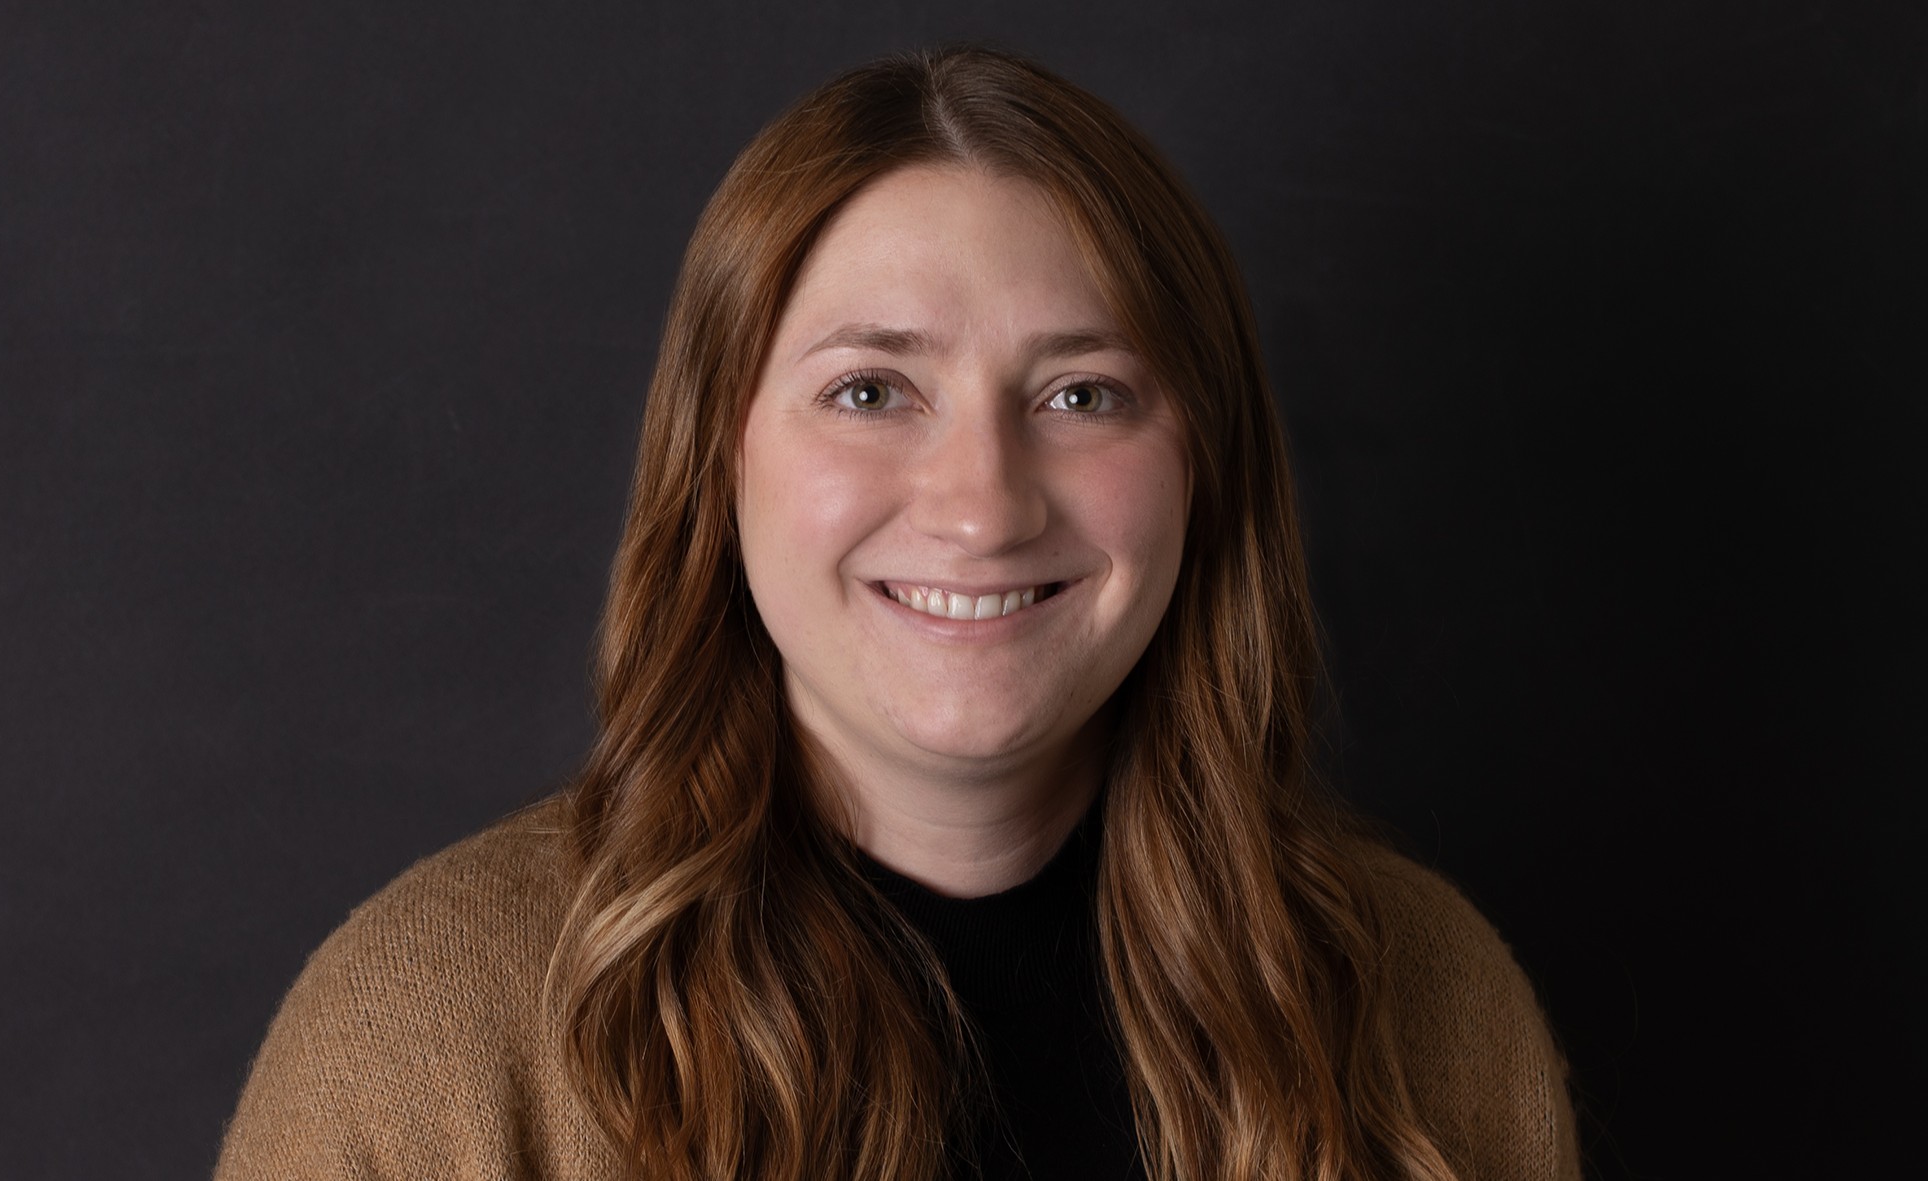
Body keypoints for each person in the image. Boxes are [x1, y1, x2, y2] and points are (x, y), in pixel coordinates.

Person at [216, 46, 1577, 1181]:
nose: (983, 506)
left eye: (1082, 393)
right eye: (872, 390)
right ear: (720, 458)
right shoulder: (423, 1044)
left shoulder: (1428, 1004)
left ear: (1204, 468)